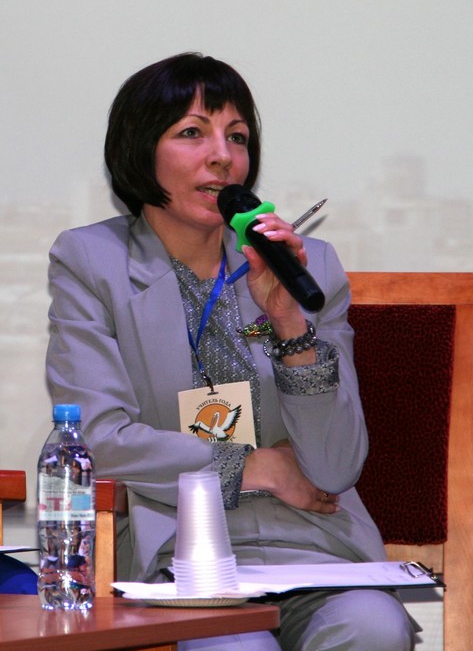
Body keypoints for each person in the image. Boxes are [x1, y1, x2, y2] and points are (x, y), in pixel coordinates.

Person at [46, 52, 417, 650]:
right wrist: (253, 467)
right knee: (234, 645)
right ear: (141, 149)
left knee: (373, 627)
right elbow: (98, 438)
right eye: (193, 132)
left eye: (237, 137)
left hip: (316, 549)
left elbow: (335, 466)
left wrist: (289, 323)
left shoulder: (308, 267)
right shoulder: (93, 262)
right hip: (181, 557)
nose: (223, 155)